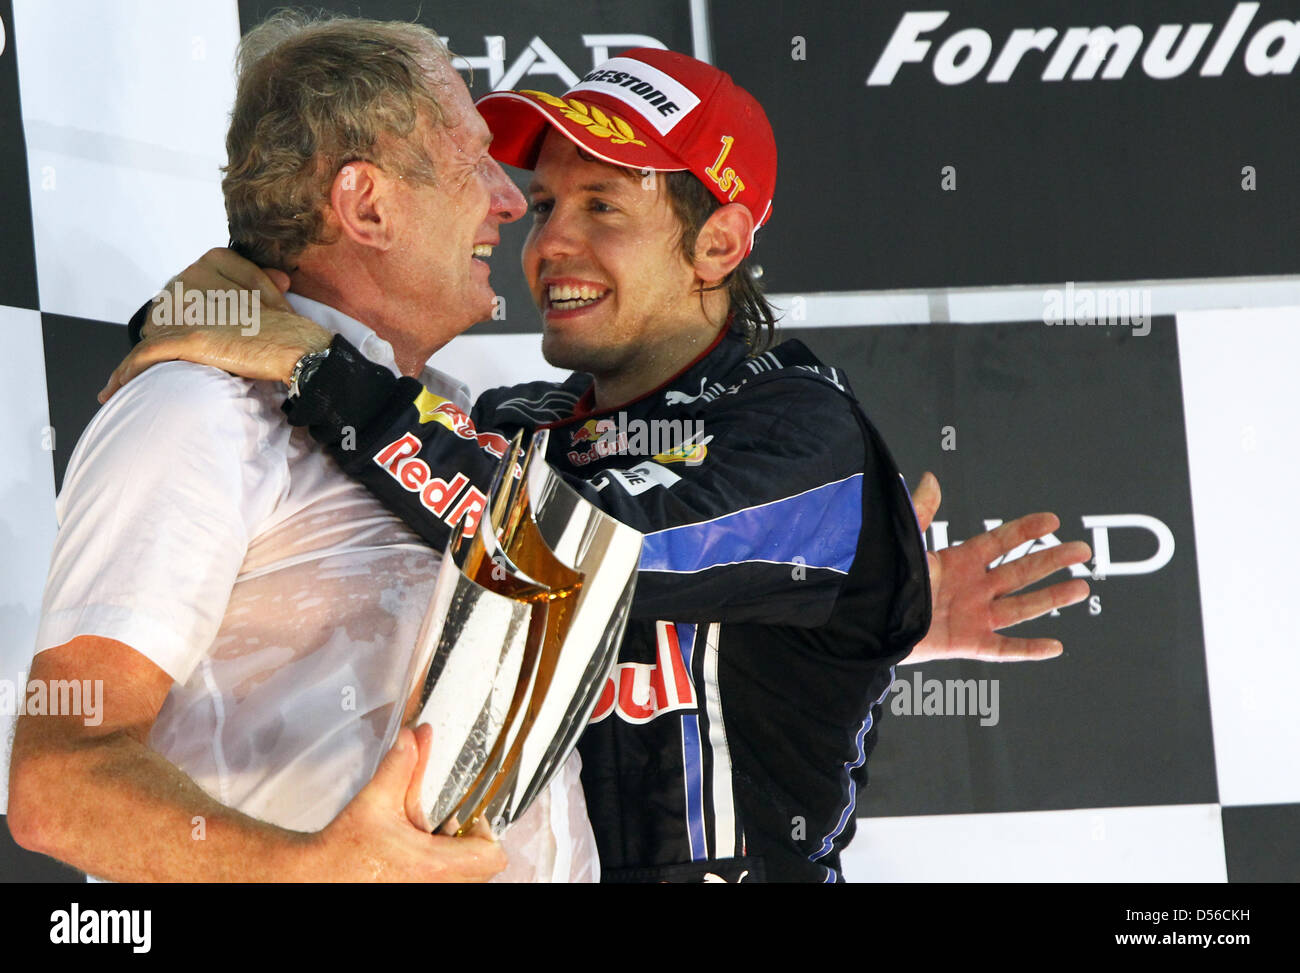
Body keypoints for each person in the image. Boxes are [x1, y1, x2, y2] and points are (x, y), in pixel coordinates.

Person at [103, 48, 1092, 882]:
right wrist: (210, 321)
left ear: (719, 242)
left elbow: (581, 558)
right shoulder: (510, 422)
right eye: (543, 205)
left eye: (604, 207)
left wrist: (309, 364)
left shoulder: (802, 436)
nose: (549, 245)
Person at [7, 12, 600, 882]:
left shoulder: (459, 422)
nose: (508, 201)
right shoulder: (197, 410)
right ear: (367, 205)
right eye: (472, 162)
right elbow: (57, 782)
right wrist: (310, 868)